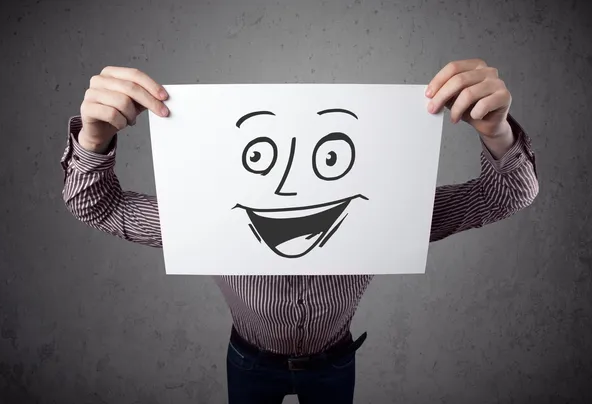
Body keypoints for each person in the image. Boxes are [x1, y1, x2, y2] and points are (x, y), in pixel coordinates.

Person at [61, 58, 538, 404]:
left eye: (330, 158)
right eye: (260, 158)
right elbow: (93, 203)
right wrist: (93, 138)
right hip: (249, 362)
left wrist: (496, 133)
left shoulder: (392, 208)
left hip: (334, 362)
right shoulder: (203, 214)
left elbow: (505, 194)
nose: (289, 188)